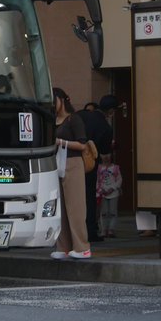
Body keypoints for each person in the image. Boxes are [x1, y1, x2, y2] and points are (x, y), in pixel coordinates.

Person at [51, 87, 92, 260]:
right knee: (61, 209)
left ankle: (82, 247)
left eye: (54, 100)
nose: (53, 104)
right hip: (57, 163)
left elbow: (83, 144)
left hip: (73, 162)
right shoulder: (53, 120)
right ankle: (64, 247)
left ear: (62, 99)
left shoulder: (73, 119)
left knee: (75, 207)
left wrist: (61, 142)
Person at [75, 94, 118, 243]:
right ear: (111, 111)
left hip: (71, 160)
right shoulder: (106, 127)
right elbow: (105, 150)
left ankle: (72, 230)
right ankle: (90, 230)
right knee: (89, 197)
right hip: (89, 165)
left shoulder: (81, 115)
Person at [97, 154, 122, 238]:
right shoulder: (99, 168)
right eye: (103, 155)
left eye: (108, 154)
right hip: (102, 193)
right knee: (103, 213)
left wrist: (113, 188)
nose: (106, 157)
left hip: (113, 193)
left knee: (113, 212)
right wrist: (100, 190)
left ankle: (111, 229)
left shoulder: (115, 168)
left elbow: (119, 179)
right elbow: (97, 180)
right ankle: (103, 230)